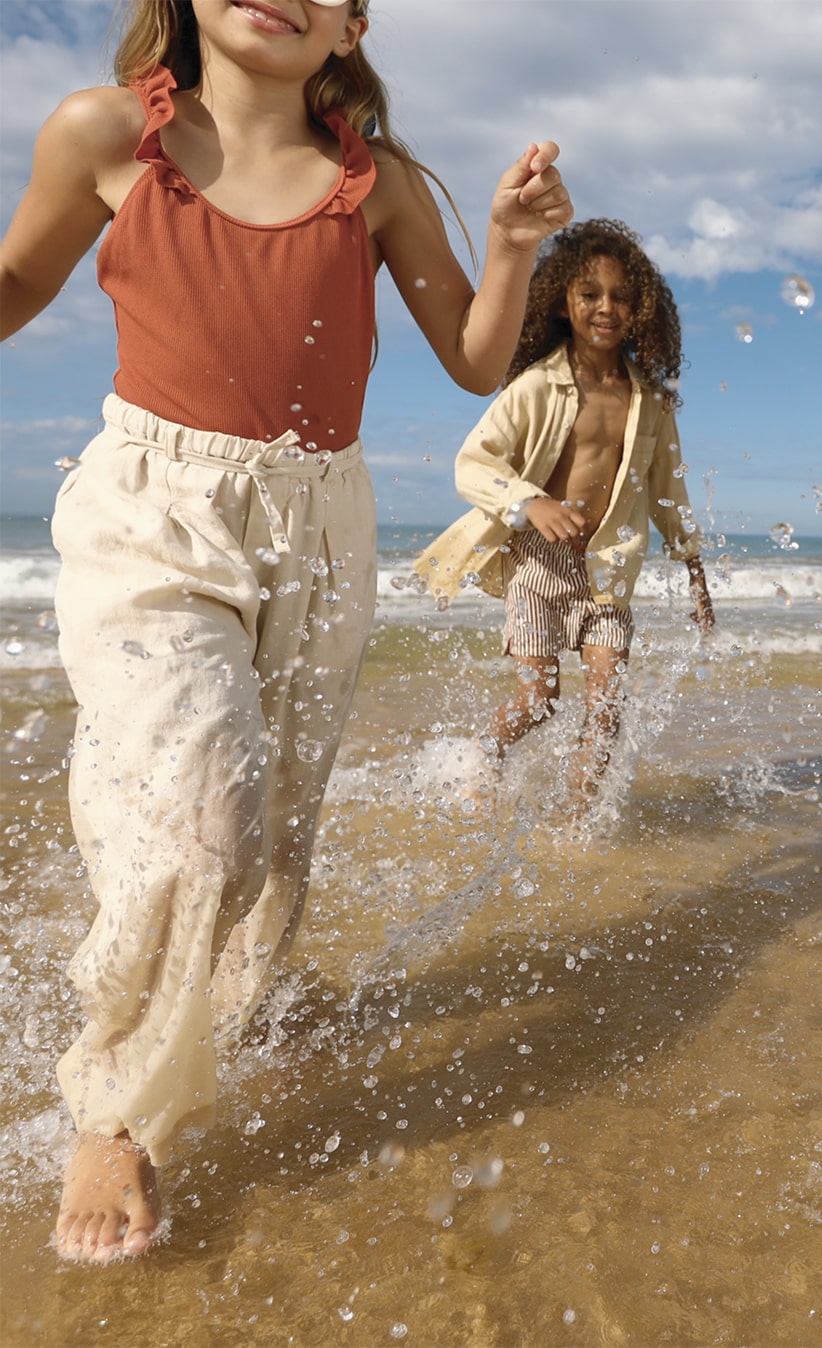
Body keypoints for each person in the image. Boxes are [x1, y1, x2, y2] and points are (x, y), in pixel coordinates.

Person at [0, 0, 572, 1263]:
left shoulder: (377, 184)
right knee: (198, 793)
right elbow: (12, 289)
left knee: (265, 837)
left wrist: (519, 245)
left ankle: (221, 1011)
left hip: (320, 529)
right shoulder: (108, 135)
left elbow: (476, 360)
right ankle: (117, 1107)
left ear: (353, 22)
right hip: (156, 506)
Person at [414, 218, 714, 811]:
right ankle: (488, 755)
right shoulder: (534, 386)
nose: (607, 307)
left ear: (642, 309)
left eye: (623, 297)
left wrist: (694, 566)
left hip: (607, 570)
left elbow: (667, 490)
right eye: (590, 294)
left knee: (607, 706)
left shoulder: (650, 402)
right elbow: (473, 464)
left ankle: (580, 827)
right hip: (538, 564)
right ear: (561, 301)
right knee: (541, 699)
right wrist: (530, 501)